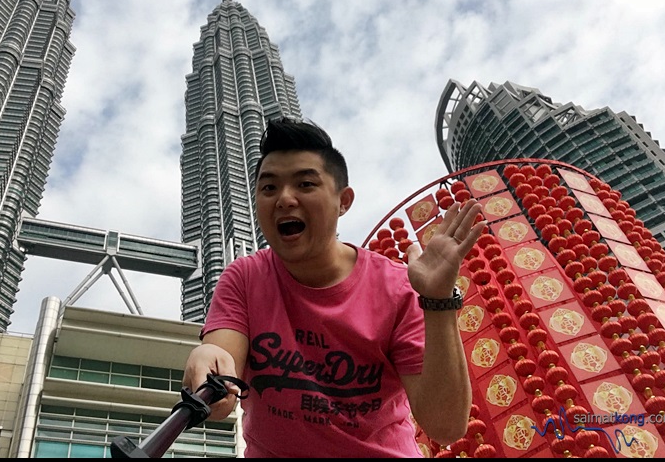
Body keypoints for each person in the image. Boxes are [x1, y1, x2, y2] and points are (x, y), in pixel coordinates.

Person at [183, 116, 485, 458]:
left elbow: (445, 426)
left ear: (344, 201)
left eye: (305, 184)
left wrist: (438, 300)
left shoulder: (396, 287)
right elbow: (222, 369)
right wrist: (207, 359)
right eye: (268, 188)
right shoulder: (244, 278)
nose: (283, 199)